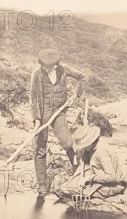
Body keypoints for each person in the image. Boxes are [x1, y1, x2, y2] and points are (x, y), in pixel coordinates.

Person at [30, 48, 86, 196]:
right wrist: (36, 120)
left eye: (47, 65)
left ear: (55, 65)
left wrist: (75, 94)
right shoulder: (37, 74)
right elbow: (33, 97)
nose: (43, 67)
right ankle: (42, 185)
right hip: (43, 114)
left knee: (68, 143)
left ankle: (77, 175)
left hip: (59, 112)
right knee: (40, 148)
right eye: (42, 64)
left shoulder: (63, 69)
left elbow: (82, 77)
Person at [55, 124, 127, 200]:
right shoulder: (91, 149)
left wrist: (90, 178)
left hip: (113, 185)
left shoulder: (101, 152)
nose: (83, 148)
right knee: (68, 186)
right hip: (98, 175)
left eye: (84, 146)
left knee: (72, 189)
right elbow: (83, 167)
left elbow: (112, 177)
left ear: (90, 142)